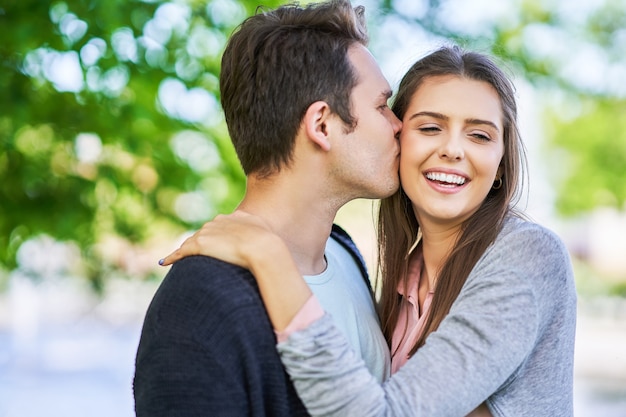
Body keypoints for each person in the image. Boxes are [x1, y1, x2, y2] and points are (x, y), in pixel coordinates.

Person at [160, 46, 577, 416]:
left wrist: (269, 256)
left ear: (502, 164)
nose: (453, 149)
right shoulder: (400, 279)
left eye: (480, 135)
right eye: (429, 127)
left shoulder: (527, 255)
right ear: (400, 140)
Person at [133, 0, 402, 415]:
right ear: (322, 125)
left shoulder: (344, 254)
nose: (399, 125)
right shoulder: (197, 305)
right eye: (382, 106)